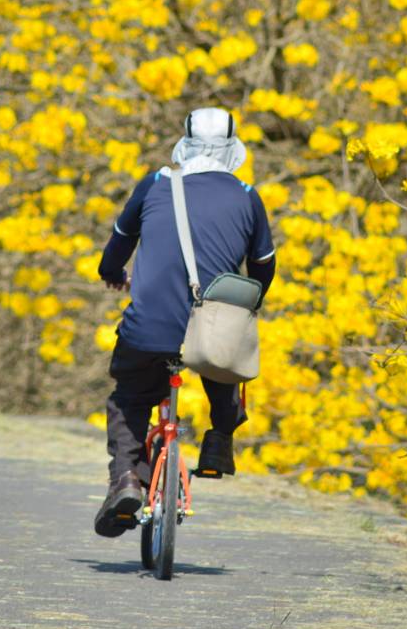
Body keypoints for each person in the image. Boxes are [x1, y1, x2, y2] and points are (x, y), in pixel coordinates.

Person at [92, 107, 276, 538]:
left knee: (130, 399)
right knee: (222, 355)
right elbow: (263, 267)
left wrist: (113, 274)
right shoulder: (247, 195)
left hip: (148, 327)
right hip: (209, 329)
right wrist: (248, 302)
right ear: (233, 150)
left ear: (185, 143)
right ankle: (219, 441)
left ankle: (126, 480)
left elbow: (115, 249)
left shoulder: (156, 185)